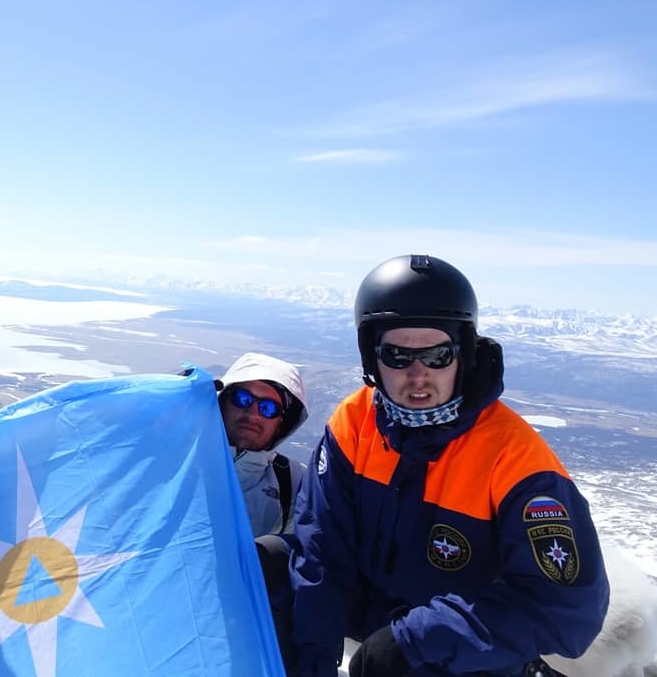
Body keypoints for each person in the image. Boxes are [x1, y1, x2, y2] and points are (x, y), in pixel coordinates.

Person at [283, 254, 609, 676]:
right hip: (375, 616)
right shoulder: (354, 423)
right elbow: (322, 552)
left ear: (463, 354)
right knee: (271, 565)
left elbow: (570, 610)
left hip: (460, 645)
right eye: (397, 356)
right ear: (372, 359)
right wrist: (313, 666)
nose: (418, 375)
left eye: (437, 356)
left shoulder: (515, 459)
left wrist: (415, 640)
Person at [216, 352, 308, 535]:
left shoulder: (294, 483)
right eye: (243, 399)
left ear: (281, 424)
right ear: (222, 401)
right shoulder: (179, 459)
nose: (253, 415)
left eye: (269, 408)